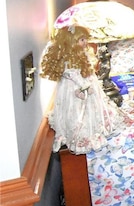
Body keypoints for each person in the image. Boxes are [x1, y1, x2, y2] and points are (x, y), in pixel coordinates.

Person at [40, 25, 125, 154]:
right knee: (79, 111)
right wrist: (84, 86)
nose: (85, 42)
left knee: (93, 108)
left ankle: (96, 127)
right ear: (72, 42)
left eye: (85, 39)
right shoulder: (68, 59)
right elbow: (71, 74)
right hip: (74, 88)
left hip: (86, 83)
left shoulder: (81, 54)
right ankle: (82, 135)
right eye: (81, 40)